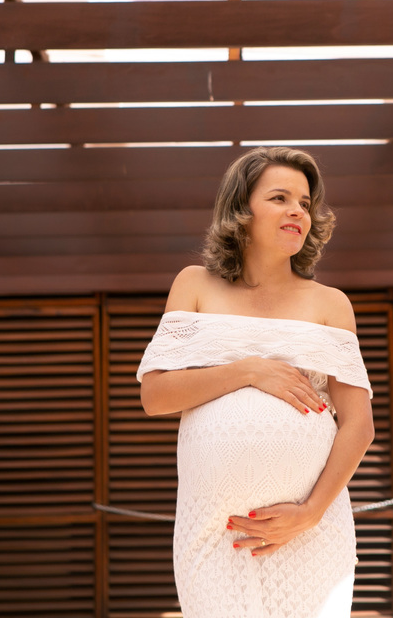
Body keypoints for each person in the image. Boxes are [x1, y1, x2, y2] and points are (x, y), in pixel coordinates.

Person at [137, 146, 375, 618]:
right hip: (215, 532)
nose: (298, 211)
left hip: (310, 531)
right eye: (280, 198)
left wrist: (309, 514)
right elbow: (155, 395)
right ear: (240, 210)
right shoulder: (195, 284)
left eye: (305, 203)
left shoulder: (331, 304)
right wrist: (248, 370)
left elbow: (359, 425)